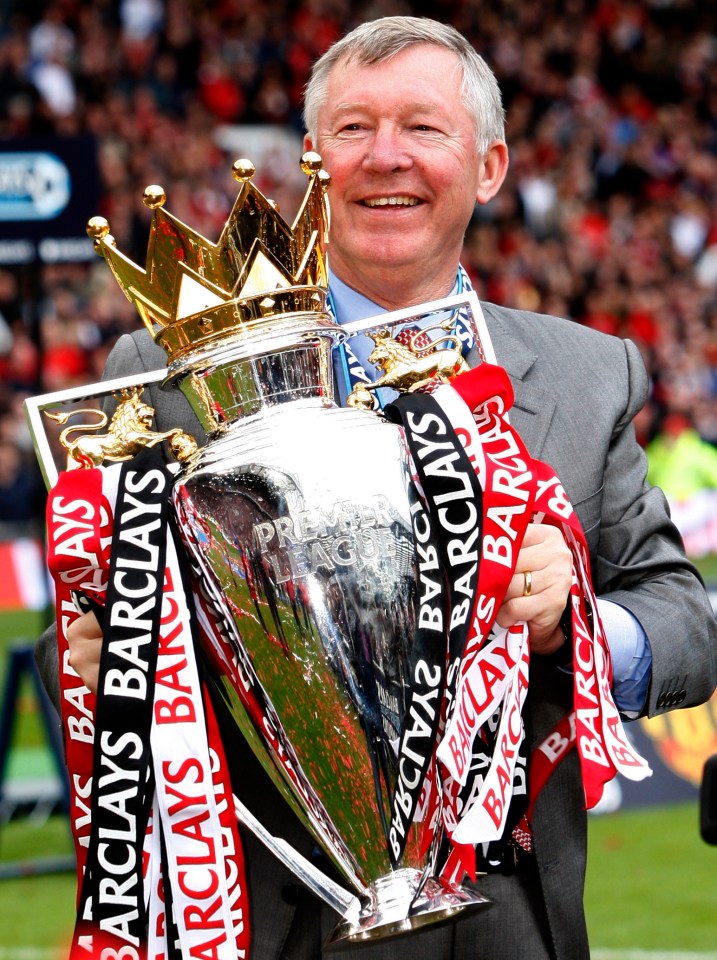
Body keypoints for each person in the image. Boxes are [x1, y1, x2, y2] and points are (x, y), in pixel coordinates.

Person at [35, 16, 717, 960]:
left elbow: (686, 621)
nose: (384, 157)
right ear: (311, 162)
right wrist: (104, 652)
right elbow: (69, 648)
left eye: (423, 129)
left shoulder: (584, 374)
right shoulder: (161, 373)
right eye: (352, 130)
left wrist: (576, 628)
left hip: (505, 930)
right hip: (261, 926)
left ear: (488, 167)